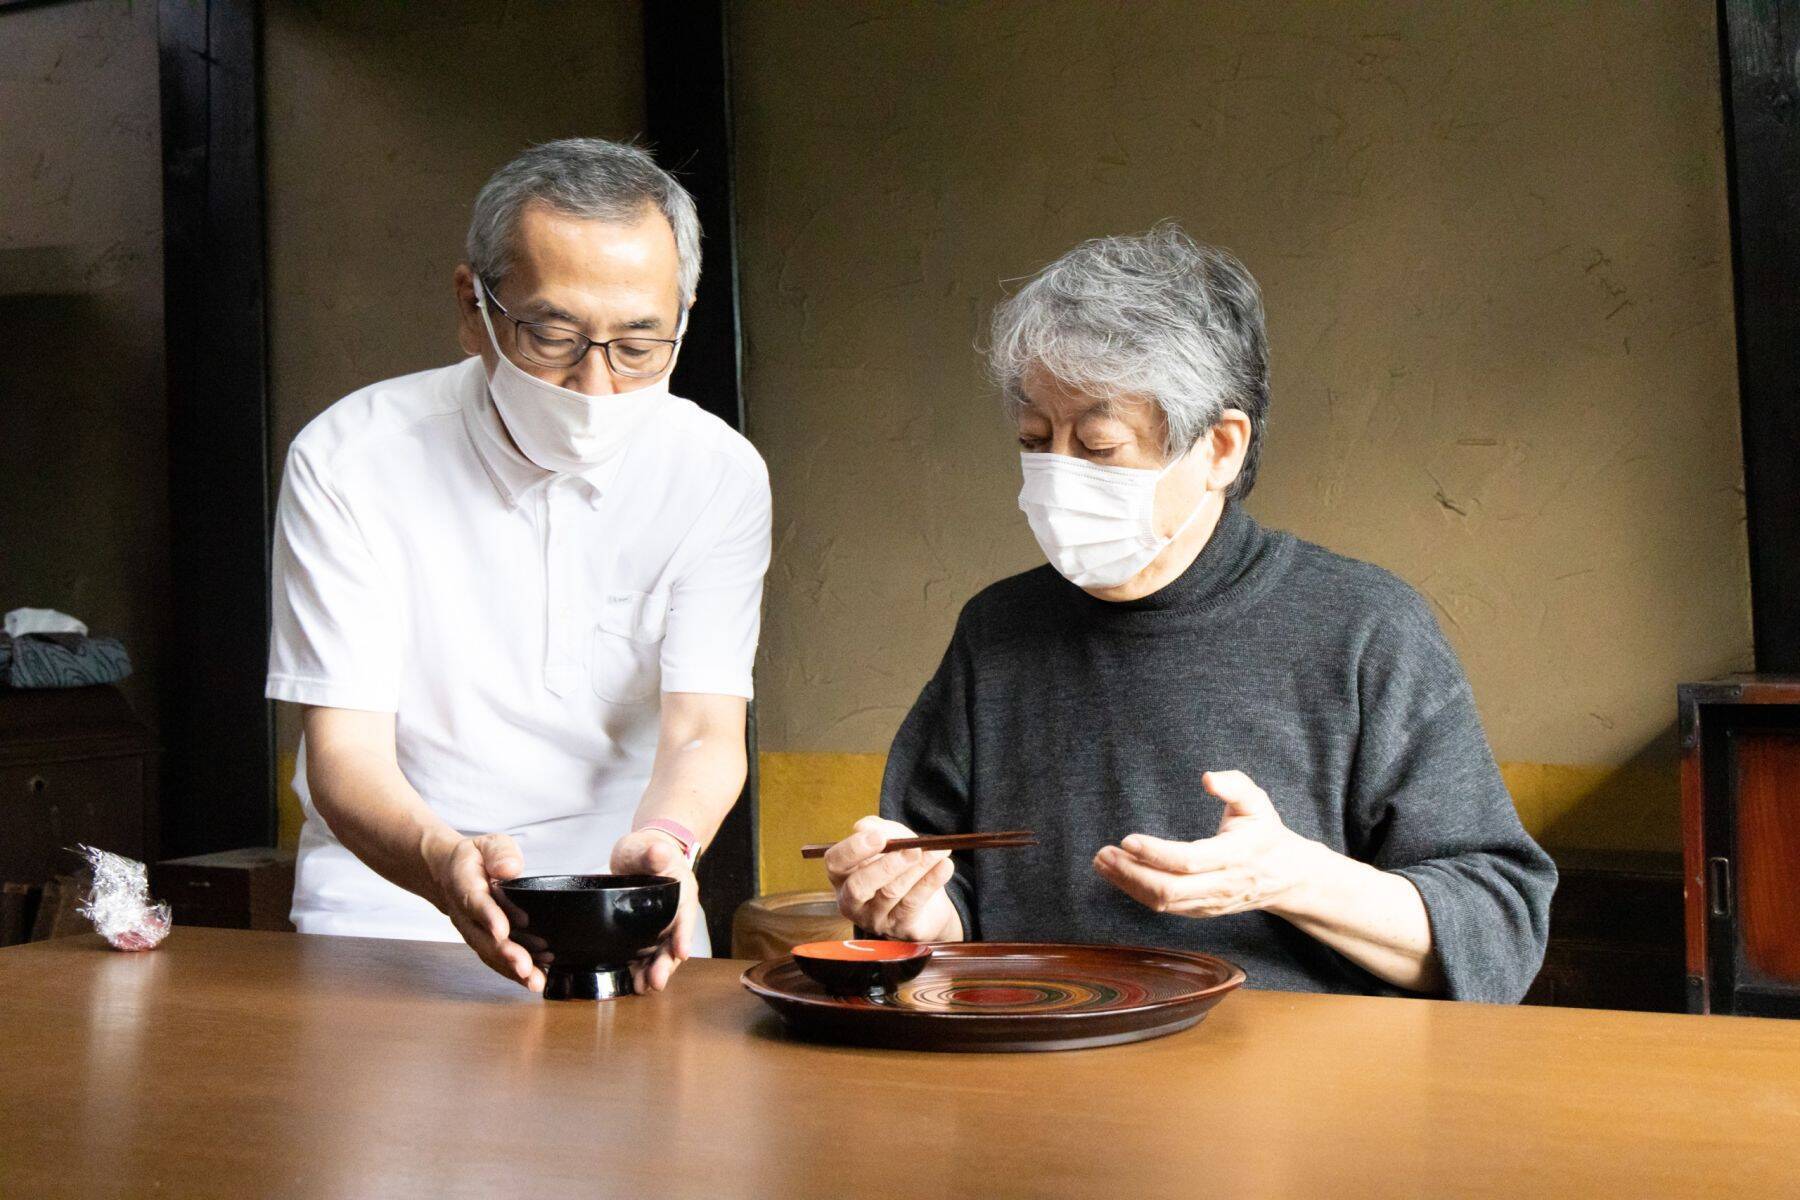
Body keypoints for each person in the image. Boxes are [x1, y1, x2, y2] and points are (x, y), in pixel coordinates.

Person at [823, 225, 1554, 1001]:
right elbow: (948, 893)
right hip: (1034, 1052)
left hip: (1295, 1072)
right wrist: (920, 912)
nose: (1056, 479)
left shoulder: (1365, 629)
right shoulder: (996, 631)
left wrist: (1292, 877)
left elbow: (1501, 933)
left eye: (1098, 446)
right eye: (1035, 441)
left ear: (1221, 449)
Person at [267, 138, 770, 993]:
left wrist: (671, 843)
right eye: (553, 335)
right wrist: (441, 860)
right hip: (389, 904)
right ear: (474, 307)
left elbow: (703, 729)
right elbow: (344, 752)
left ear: (682, 314)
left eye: (640, 343)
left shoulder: (717, 472)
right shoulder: (351, 459)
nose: (595, 386)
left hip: (624, 899)